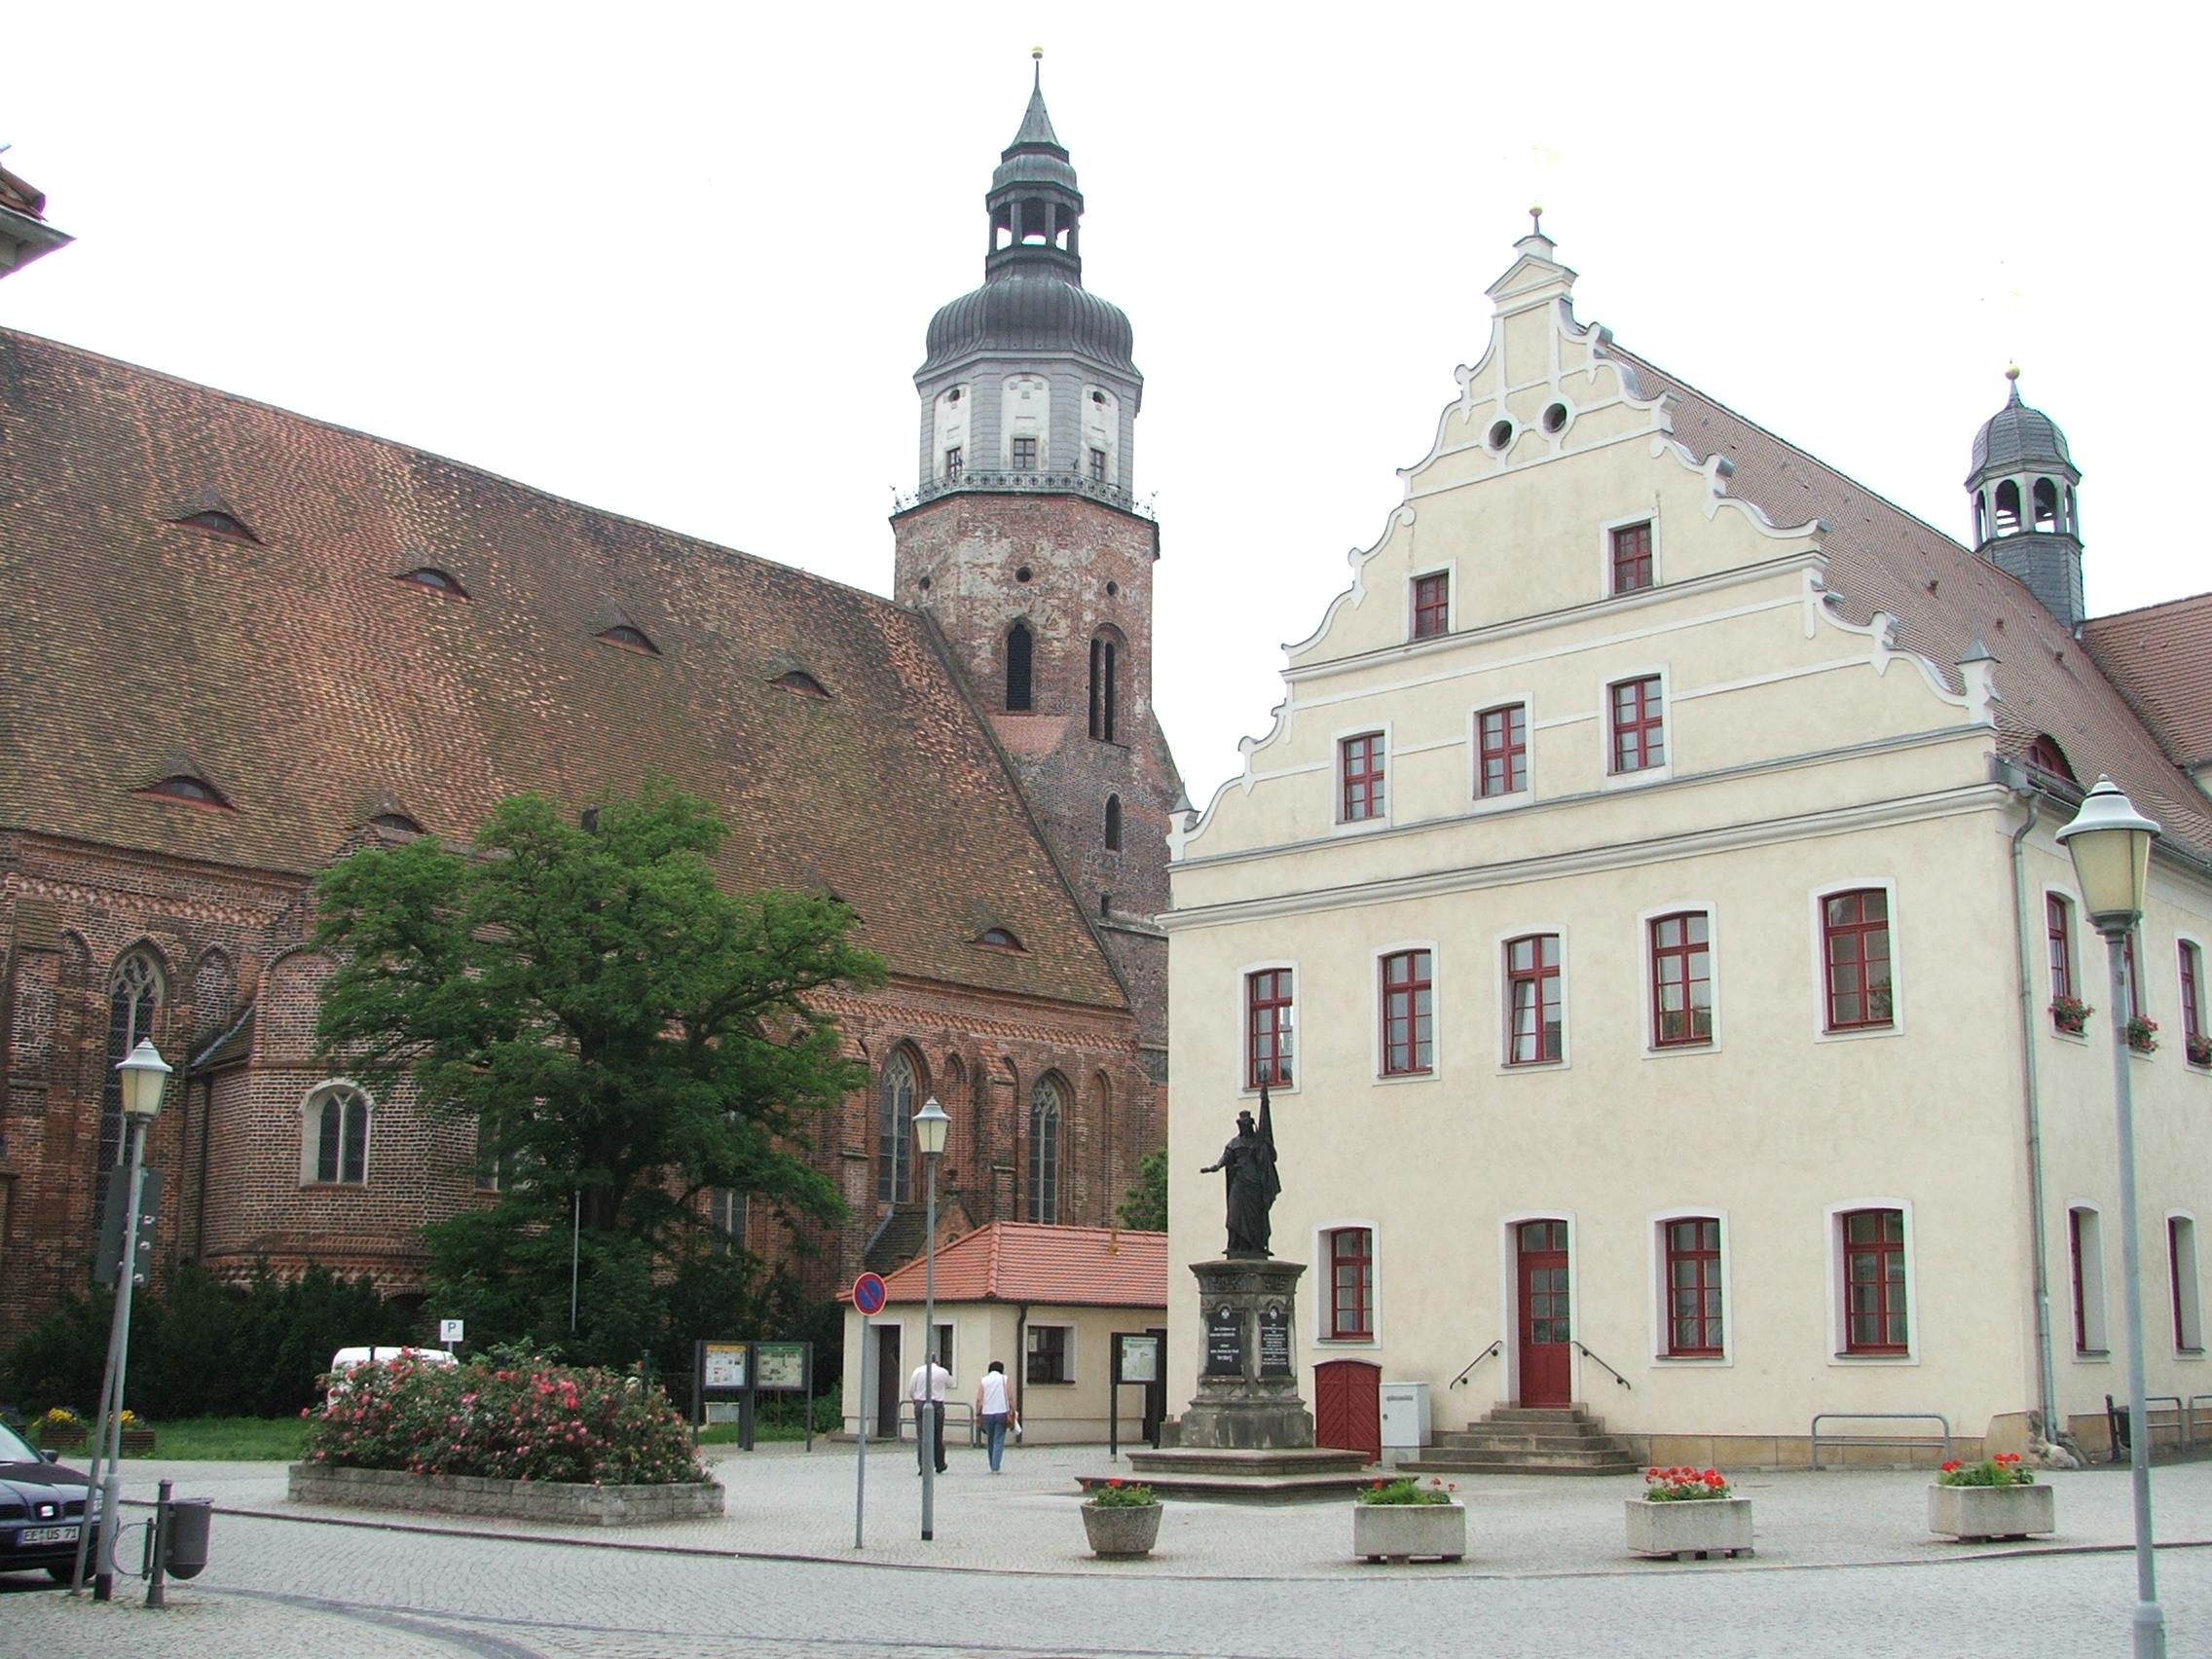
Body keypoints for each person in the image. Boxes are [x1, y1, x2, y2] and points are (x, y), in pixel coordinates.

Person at [908, 1349, 951, 1475]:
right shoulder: (943, 1372)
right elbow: (950, 1383)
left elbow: (911, 1390)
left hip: (921, 1404)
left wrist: (915, 1400)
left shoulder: (918, 1371)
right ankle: (940, 1464)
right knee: (937, 1436)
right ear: (936, 1359)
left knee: (922, 1437)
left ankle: (923, 1466)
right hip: (937, 1405)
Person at [975, 1359, 1018, 1473]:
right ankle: (995, 1466)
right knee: (998, 1439)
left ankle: (992, 1463)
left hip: (987, 1413)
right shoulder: (1004, 1379)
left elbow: (979, 1399)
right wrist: (1013, 1410)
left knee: (990, 1439)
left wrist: (978, 1413)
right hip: (1001, 1412)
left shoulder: (984, 1380)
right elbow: (1010, 1397)